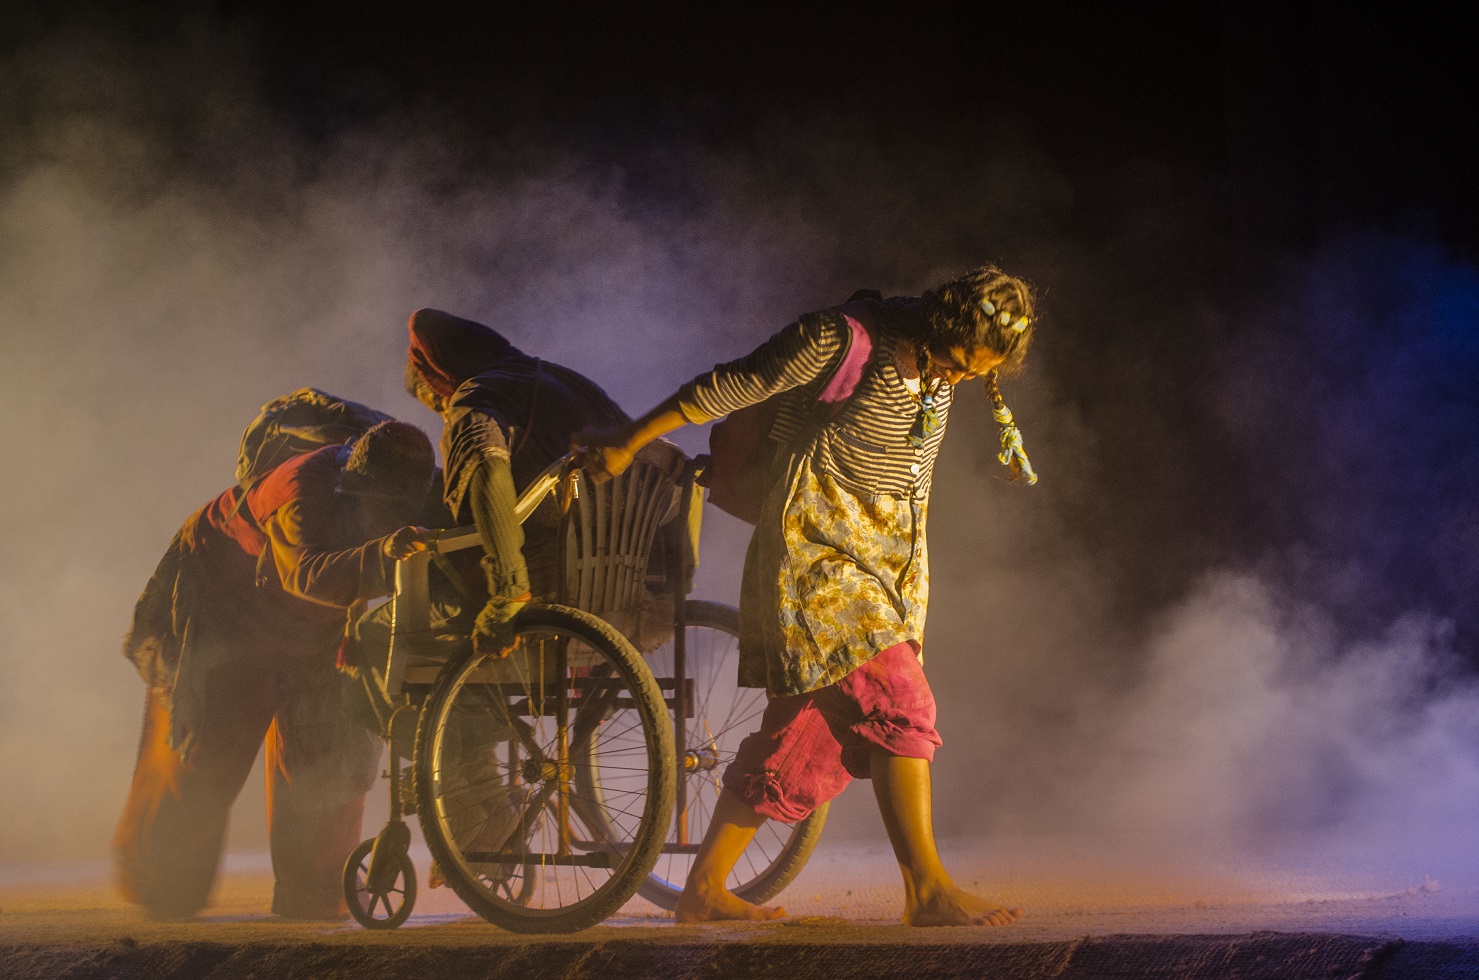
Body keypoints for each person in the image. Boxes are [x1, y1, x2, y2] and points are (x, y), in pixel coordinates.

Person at [578, 266, 1036, 927]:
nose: (960, 376)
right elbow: (729, 384)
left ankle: (703, 890)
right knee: (902, 704)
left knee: (803, 742)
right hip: (812, 556)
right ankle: (927, 889)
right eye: (959, 360)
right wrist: (628, 440)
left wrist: (909, 602)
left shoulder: (941, 377)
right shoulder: (841, 338)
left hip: (880, 571)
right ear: (939, 323)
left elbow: (911, 489)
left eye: (977, 370)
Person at [115, 421, 436, 920]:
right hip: (226, 607)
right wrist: (380, 553)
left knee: (323, 754)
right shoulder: (302, 491)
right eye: (382, 510)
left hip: (315, 623)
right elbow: (304, 573)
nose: (390, 519)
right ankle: (164, 885)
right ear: (354, 486)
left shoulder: (410, 481)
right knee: (209, 750)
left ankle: (315, 896)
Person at [398, 307, 631, 651]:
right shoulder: (566, 379)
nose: (443, 413)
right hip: (624, 577)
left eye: (436, 404)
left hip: (550, 583)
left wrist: (509, 592)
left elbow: (486, 466)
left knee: (383, 629)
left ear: (438, 379)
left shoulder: (473, 399)